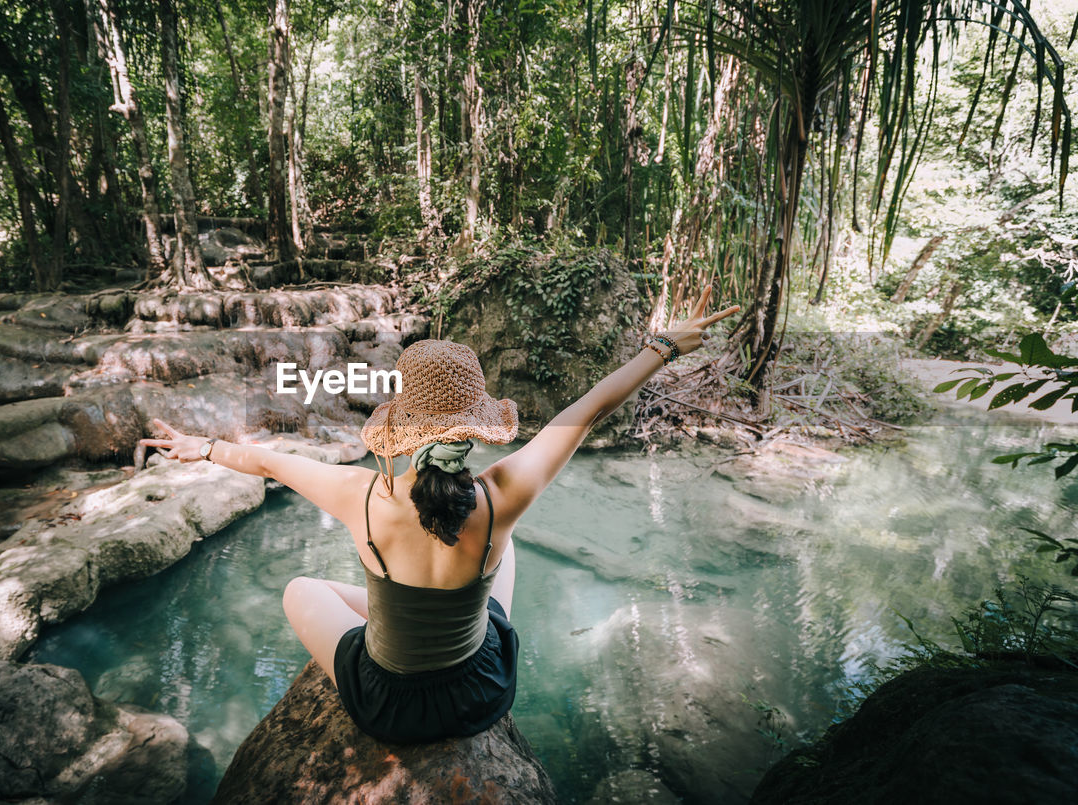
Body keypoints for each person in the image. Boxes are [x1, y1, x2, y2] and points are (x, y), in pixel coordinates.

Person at [141, 282, 739, 744]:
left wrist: (205, 448)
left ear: (403, 426)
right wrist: (662, 348)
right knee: (506, 555)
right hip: (478, 692)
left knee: (302, 587)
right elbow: (587, 412)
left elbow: (270, 463)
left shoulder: (363, 495)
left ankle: (401, 618)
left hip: (389, 707)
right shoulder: (502, 497)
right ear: (475, 428)